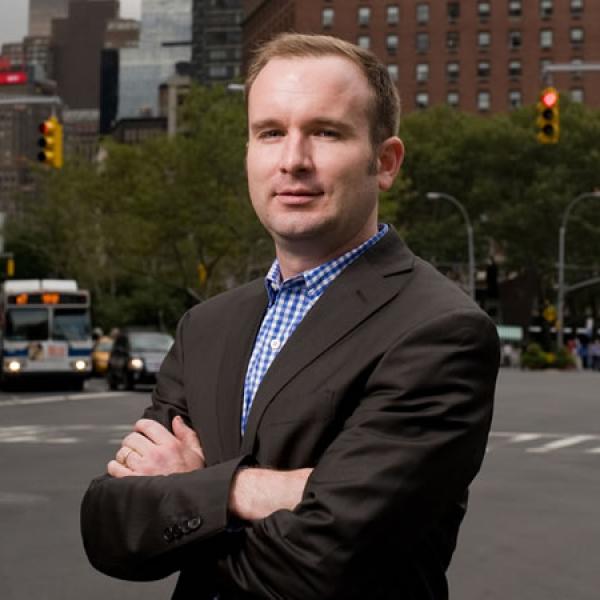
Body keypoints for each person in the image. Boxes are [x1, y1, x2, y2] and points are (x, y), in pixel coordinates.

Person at [81, 33, 499, 600]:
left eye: (325, 132)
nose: (292, 160)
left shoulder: (440, 331)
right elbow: (110, 528)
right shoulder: (206, 327)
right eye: (270, 132)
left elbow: (326, 569)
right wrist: (254, 491)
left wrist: (187, 491)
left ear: (385, 162)